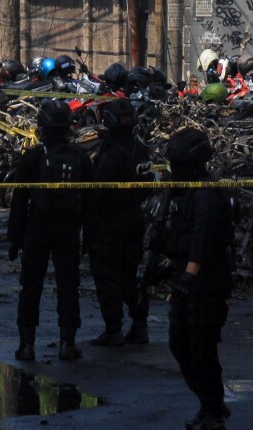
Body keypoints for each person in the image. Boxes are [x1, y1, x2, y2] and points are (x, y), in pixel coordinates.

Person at [160, 127, 235, 430]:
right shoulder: (186, 192)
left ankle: (213, 409)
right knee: (180, 344)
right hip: (186, 277)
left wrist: (188, 277)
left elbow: (202, 240)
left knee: (201, 348)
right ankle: (210, 404)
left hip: (206, 281)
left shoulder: (206, 194)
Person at [7, 98, 93, 362]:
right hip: (68, 227)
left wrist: (14, 239)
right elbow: (89, 201)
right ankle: (67, 343)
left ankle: (26, 344)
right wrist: (88, 235)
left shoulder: (32, 157)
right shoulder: (80, 158)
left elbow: (20, 202)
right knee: (68, 285)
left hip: (38, 227)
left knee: (31, 285)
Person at [88, 99, 151, 346]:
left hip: (110, 222)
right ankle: (139, 324)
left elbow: (97, 189)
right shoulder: (140, 149)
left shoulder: (111, 152)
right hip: (134, 219)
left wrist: (90, 219)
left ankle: (113, 328)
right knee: (131, 274)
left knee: (108, 275)